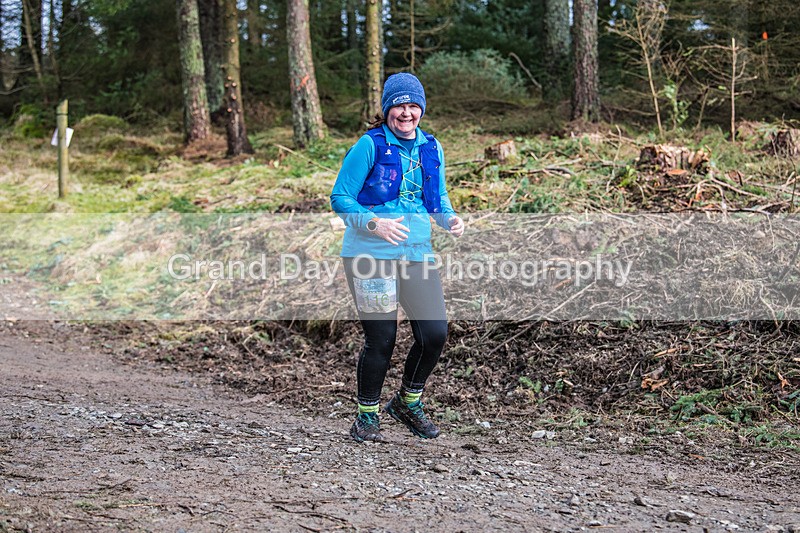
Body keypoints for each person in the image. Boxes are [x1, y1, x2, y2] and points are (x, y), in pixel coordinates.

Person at [330, 72, 464, 443]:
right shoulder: (369, 146)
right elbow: (341, 197)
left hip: (417, 253)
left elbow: (437, 199)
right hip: (369, 255)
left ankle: (407, 401)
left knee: (435, 333)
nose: (406, 113)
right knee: (382, 339)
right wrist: (375, 225)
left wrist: (448, 218)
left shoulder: (431, 147)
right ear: (388, 108)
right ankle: (367, 415)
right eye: (399, 105)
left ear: (421, 108)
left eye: (413, 105)